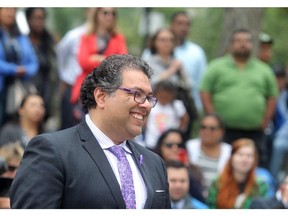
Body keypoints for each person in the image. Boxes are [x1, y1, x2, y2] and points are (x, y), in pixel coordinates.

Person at [10, 54, 171, 209]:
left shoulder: (155, 163)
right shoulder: (52, 151)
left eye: (149, 98)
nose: (147, 105)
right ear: (101, 96)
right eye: (137, 94)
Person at [200, 28, 278, 168]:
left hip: (255, 132)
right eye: (238, 41)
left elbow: (272, 96)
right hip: (224, 131)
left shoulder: (264, 70)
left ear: (252, 45)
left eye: (247, 41)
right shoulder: (216, 66)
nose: (243, 44)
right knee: (225, 167)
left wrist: (265, 120)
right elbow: (205, 91)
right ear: (231, 44)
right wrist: (213, 117)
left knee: (256, 167)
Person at [70, 7, 128, 123]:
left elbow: (122, 64)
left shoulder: (118, 38)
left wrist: (96, 58)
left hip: (109, 91)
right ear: (97, 15)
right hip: (86, 90)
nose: (109, 16)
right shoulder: (86, 37)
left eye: (113, 14)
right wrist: (108, 59)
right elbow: (83, 62)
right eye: (105, 13)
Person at [56, 8, 96, 130]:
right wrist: (64, 76)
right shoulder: (75, 35)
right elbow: (60, 54)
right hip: (73, 86)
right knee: (69, 126)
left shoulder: (107, 38)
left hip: (94, 90)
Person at [0, 7, 38, 126]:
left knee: (16, 124)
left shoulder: (20, 36)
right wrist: (14, 69)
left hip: (19, 89)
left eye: (13, 10)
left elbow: (33, 62)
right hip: (2, 88)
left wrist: (25, 70)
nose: (10, 13)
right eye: (6, 9)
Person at [206, 138, 269, 209]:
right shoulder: (218, 182)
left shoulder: (260, 185)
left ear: (254, 160)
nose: (244, 159)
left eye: (249, 156)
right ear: (231, 157)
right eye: (240, 154)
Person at [25, 8, 59, 131]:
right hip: (28, 92)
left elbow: (55, 72)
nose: (39, 22)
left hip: (49, 95)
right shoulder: (23, 42)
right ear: (28, 20)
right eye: (36, 18)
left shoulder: (50, 42)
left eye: (42, 18)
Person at [153, 128, 205, 203]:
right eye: (169, 145)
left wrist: (187, 170)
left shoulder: (193, 170)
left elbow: (199, 199)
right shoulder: (151, 168)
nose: (175, 149)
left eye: (179, 145)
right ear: (160, 146)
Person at [185, 113, 231, 197]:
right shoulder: (189, 147)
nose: (207, 131)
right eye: (203, 127)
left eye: (212, 129)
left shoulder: (229, 151)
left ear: (221, 132)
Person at [143, 80, 189, 150]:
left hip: (169, 144)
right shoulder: (151, 103)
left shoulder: (176, 105)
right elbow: (145, 119)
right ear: (156, 93)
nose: (163, 99)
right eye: (161, 96)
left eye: (166, 97)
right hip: (151, 142)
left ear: (172, 95)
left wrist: (177, 131)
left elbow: (184, 120)